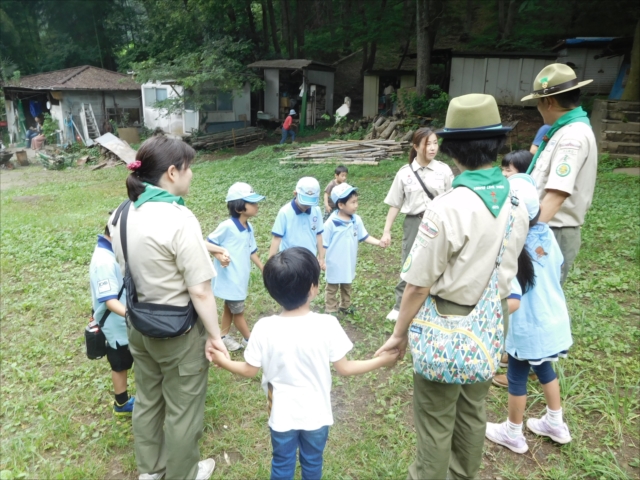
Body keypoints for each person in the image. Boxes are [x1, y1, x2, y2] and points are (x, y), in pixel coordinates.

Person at [375, 94, 529, 480]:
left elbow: (417, 285)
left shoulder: (448, 207)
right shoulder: (517, 201)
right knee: (474, 409)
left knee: (435, 417)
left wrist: (399, 334)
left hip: (446, 323)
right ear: (496, 144)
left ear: (452, 148)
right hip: (490, 321)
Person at [209, 247, 399, 480]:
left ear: (271, 290)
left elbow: (249, 370)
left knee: (281, 464)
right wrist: (381, 361)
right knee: (312, 464)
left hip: (281, 415)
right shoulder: (327, 325)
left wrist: (222, 360)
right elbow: (346, 368)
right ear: (313, 288)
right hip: (317, 415)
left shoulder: (264, 328)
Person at [109, 135, 229, 480]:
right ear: (173, 172)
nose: (192, 175)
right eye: (189, 169)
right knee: (183, 409)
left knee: (148, 398)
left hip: (138, 324)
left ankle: (151, 470)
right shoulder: (179, 218)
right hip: (179, 332)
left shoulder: (121, 212)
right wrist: (216, 336)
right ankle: (184, 474)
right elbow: (201, 291)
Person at [486, 173, 573, 453]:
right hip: (553, 319)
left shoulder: (510, 245)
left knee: (516, 377)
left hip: (526, 327)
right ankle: (555, 422)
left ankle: (512, 432)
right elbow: (557, 264)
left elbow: (507, 295)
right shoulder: (545, 233)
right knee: (545, 367)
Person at [521, 63, 597, 284]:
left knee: (542, 302)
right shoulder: (563, 130)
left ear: (548, 101)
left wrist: (526, 235)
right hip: (547, 226)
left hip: (552, 230)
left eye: (538, 103)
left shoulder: (572, 137)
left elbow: (556, 195)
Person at [380, 127, 454, 321]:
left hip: (440, 222)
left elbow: (453, 200)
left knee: (441, 260)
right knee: (409, 262)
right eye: (427, 144)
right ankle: (399, 305)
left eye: (435, 143)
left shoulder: (443, 170)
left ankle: (436, 302)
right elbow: (395, 204)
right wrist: (386, 231)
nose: (432, 148)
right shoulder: (405, 173)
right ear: (416, 146)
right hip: (415, 222)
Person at [206, 182, 265, 352]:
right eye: (252, 203)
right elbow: (208, 243)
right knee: (238, 313)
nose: (256, 206)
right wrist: (219, 255)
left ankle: (223, 336)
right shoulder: (227, 227)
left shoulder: (248, 227)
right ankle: (251, 341)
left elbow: (251, 251)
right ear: (240, 208)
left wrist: (263, 268)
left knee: (229, 307)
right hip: (230, 278)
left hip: (240, 278)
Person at [89, 224, 134, 416]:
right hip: (117, 325)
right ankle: (121, 403)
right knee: (120, 362)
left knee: (124, 359)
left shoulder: (108, 252)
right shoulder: (104, 262)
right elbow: (109, 301)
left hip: (121, 321)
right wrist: (133, 317)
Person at [322, 183, 386, 315]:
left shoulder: (356, 220)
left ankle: (345, 305)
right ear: (341, 205)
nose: (356, 205)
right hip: (333, 262)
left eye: (356, 201)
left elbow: (364, 236)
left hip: (348, 261)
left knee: (347, 284)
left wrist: (378, 242)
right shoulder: (330, 223)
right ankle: (330, 309)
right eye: (352, 202)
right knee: (332, 287)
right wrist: (321, 259)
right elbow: (324, 244)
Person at [269, 177, 326, 270]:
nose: (307, 206)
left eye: (310, 202)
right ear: (295, 193)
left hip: (310, 259)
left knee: (312, 284)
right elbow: (277, 238)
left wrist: (321, 257)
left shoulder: (316, 210)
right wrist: (270, 264)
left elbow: (319, 235)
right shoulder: (285, 212)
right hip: (289, 262)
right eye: (304, 202)